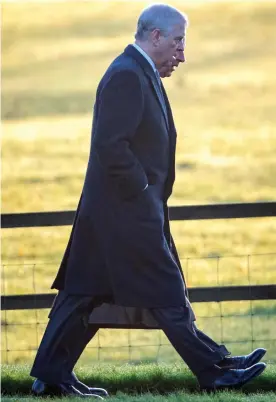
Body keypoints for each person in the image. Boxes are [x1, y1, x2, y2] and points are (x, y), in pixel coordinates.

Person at [30, 4, 266, 398]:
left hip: (117, 217)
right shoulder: (126, 75)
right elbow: (111, 146)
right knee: (167, 292)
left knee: (82, 295)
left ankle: (51, 379)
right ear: (154, 36)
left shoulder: (138, 72)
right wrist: (141, 193)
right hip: (126, 218)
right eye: (177, 41)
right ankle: (215, 370)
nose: (182, 53)